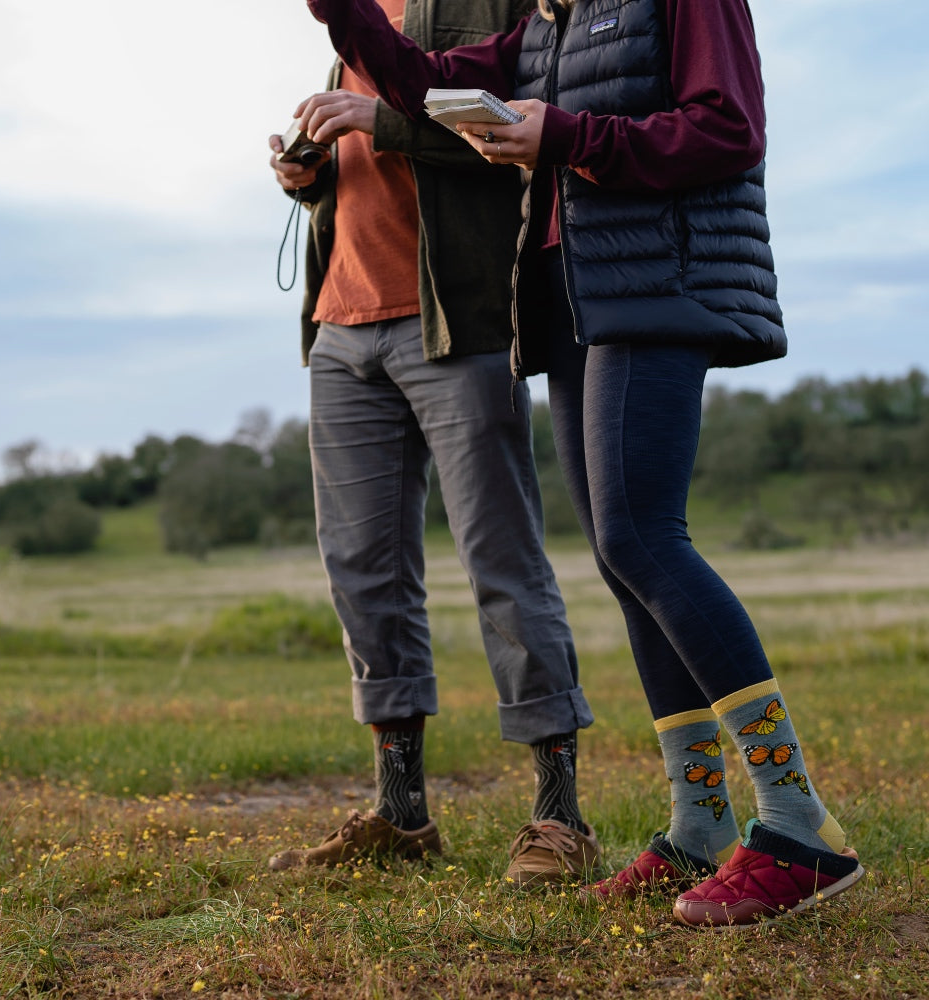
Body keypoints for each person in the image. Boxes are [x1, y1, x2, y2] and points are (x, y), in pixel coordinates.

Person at [302, 0, 865, 927]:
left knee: (646, 540)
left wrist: (562, 132)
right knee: (618, 555)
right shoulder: (551, 20)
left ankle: (802, 827)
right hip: (572, 294)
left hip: (652, 278)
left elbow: (730, 128)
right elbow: (421, 84)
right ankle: (699, 823)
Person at [266, 0, 599, 890]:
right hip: (341, 329)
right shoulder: (353, 24)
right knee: (364, 572)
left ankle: (560, 815)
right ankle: (402, 814)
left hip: (455, 325)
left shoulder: (489, 6)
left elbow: (516, 136)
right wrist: (311, 175)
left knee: (502, 560)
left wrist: (388, 120)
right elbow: (362, 163)